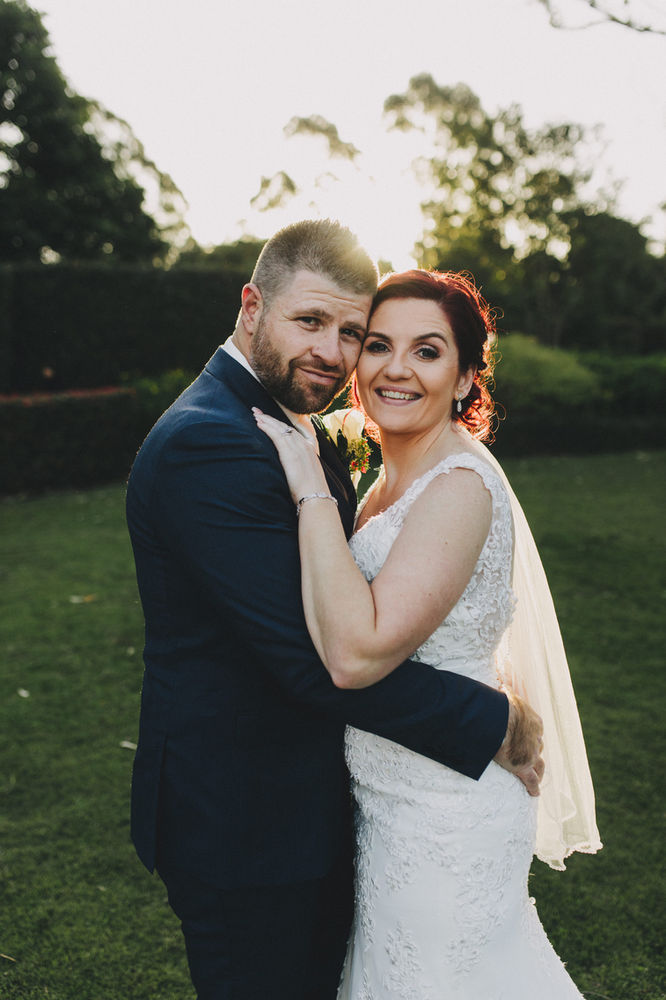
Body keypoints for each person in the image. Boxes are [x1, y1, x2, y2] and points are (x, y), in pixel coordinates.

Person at [125, 221, 543, 1000]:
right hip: (244, 826)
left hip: (333, 813)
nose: (333, 350)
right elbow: (316, 659)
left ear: (464, 377)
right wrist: (491, 720)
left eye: (351, 332)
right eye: (310, 322)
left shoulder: (298, 433)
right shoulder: (209, 443)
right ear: (252, 305)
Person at [255, 267, 602, 999]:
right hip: (390, 798)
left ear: (469, 377)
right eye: (379, 345)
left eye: (428, 350)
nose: (396, 368)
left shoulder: (460, 489)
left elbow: (355, 654)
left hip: (449, 811)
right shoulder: (382, 477)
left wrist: (310, 489)